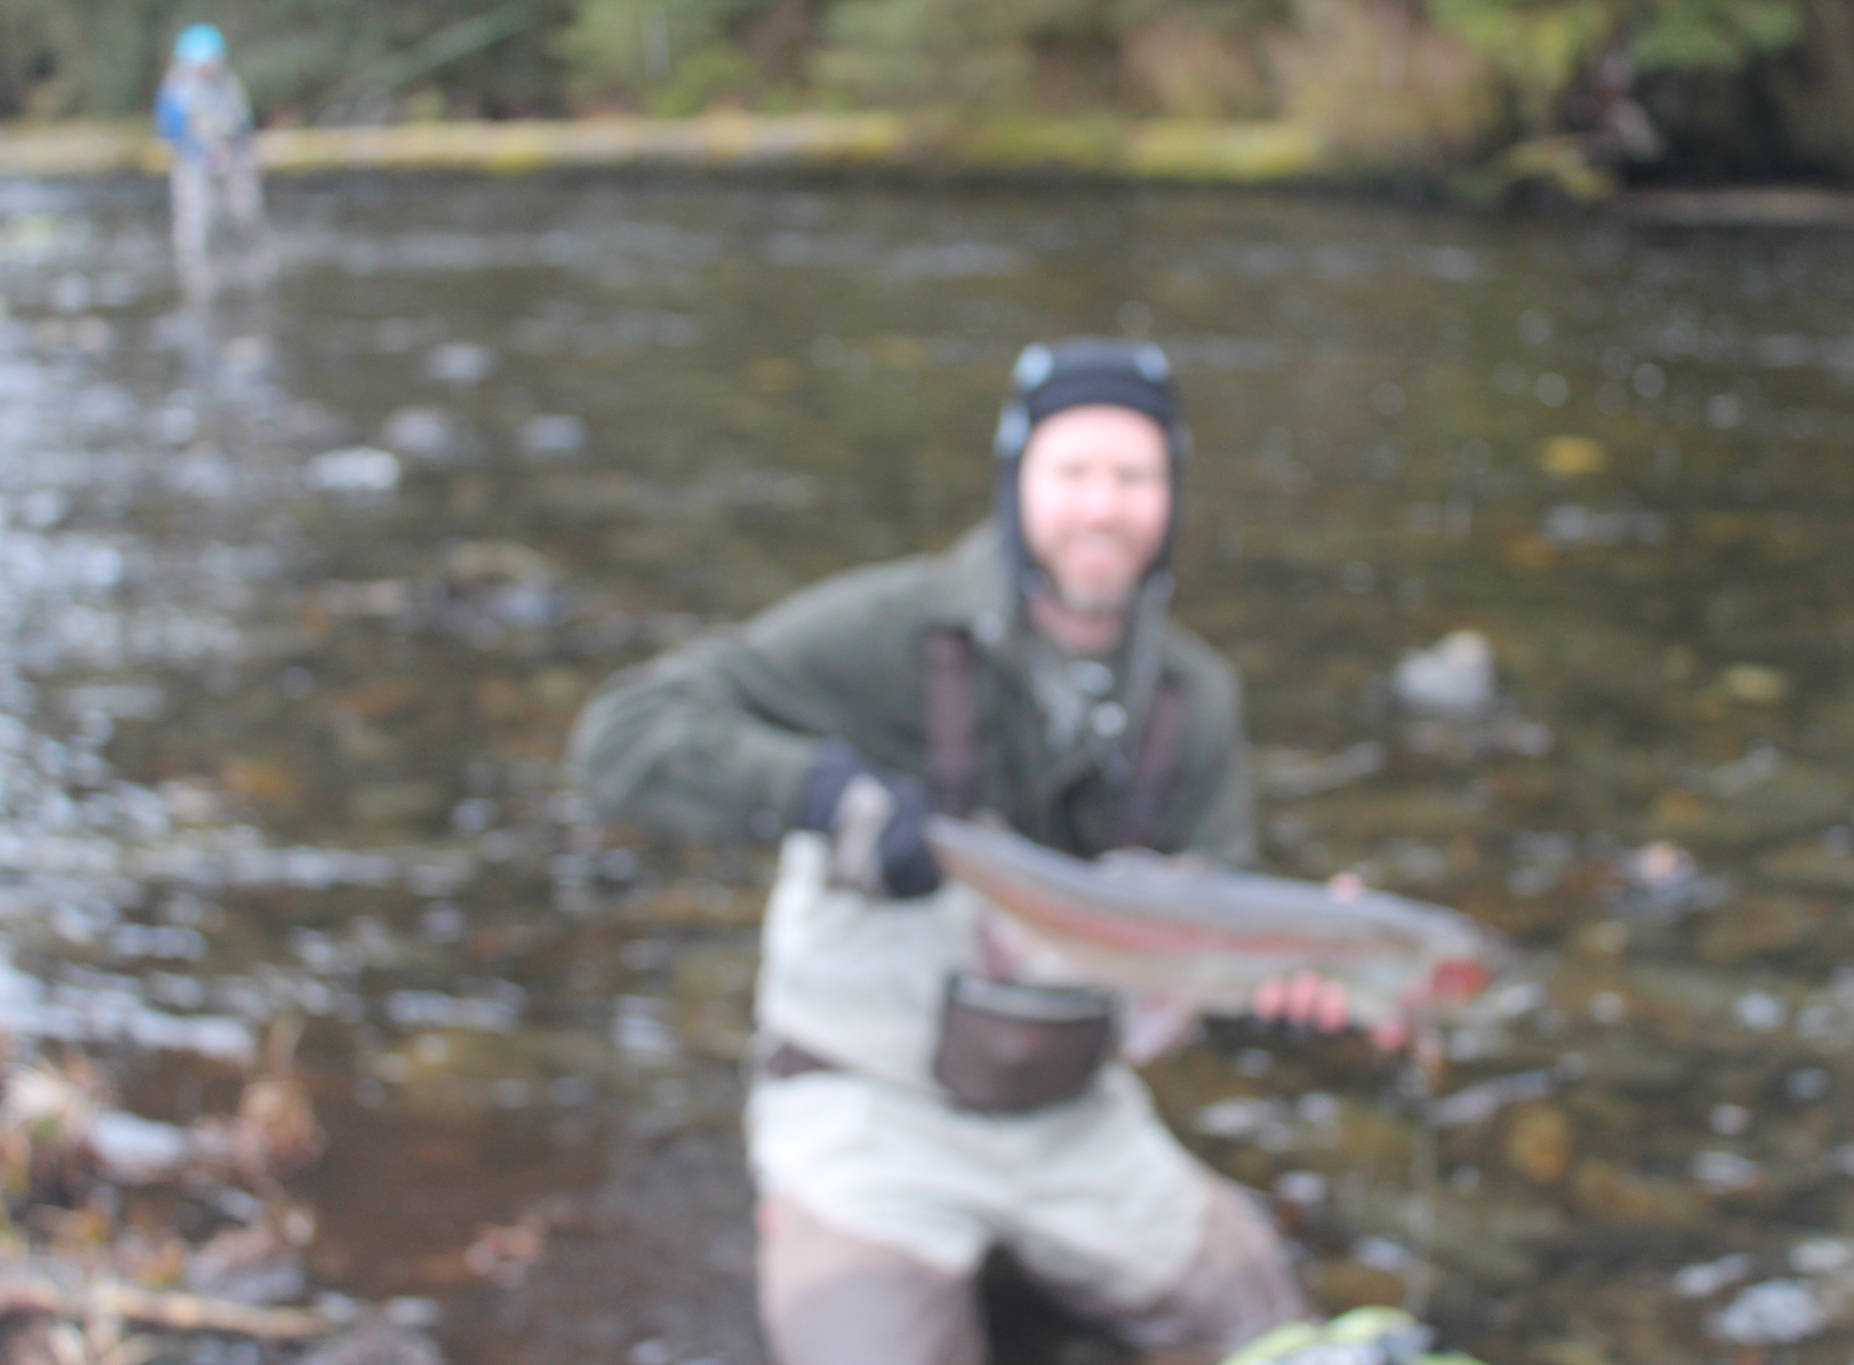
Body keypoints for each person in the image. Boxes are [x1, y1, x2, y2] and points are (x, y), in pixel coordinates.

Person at [570, 338, 1369, 1365]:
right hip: (867, 1114)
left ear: (1171, 498)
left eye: (1134, 477)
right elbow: (623, 733)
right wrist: (822, 794)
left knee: (1280, 1336)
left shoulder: (1195, 695)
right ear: (1015, 483)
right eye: (1072, 472)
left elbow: (1211, 913)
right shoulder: (887, 631)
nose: (1102, 506)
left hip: (1079, 1123)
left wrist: (1293, 963)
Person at [154, 24, 269, 302]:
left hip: (234, 157)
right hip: (192, 162)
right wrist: (203, 152)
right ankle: (195, 275)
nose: (210, 66)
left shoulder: (229, 83)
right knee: (195, 219)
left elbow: (243, 122)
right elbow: (171, 130)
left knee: (244, 211)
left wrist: (237, 150)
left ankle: (252, 264)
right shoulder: (177, 88)